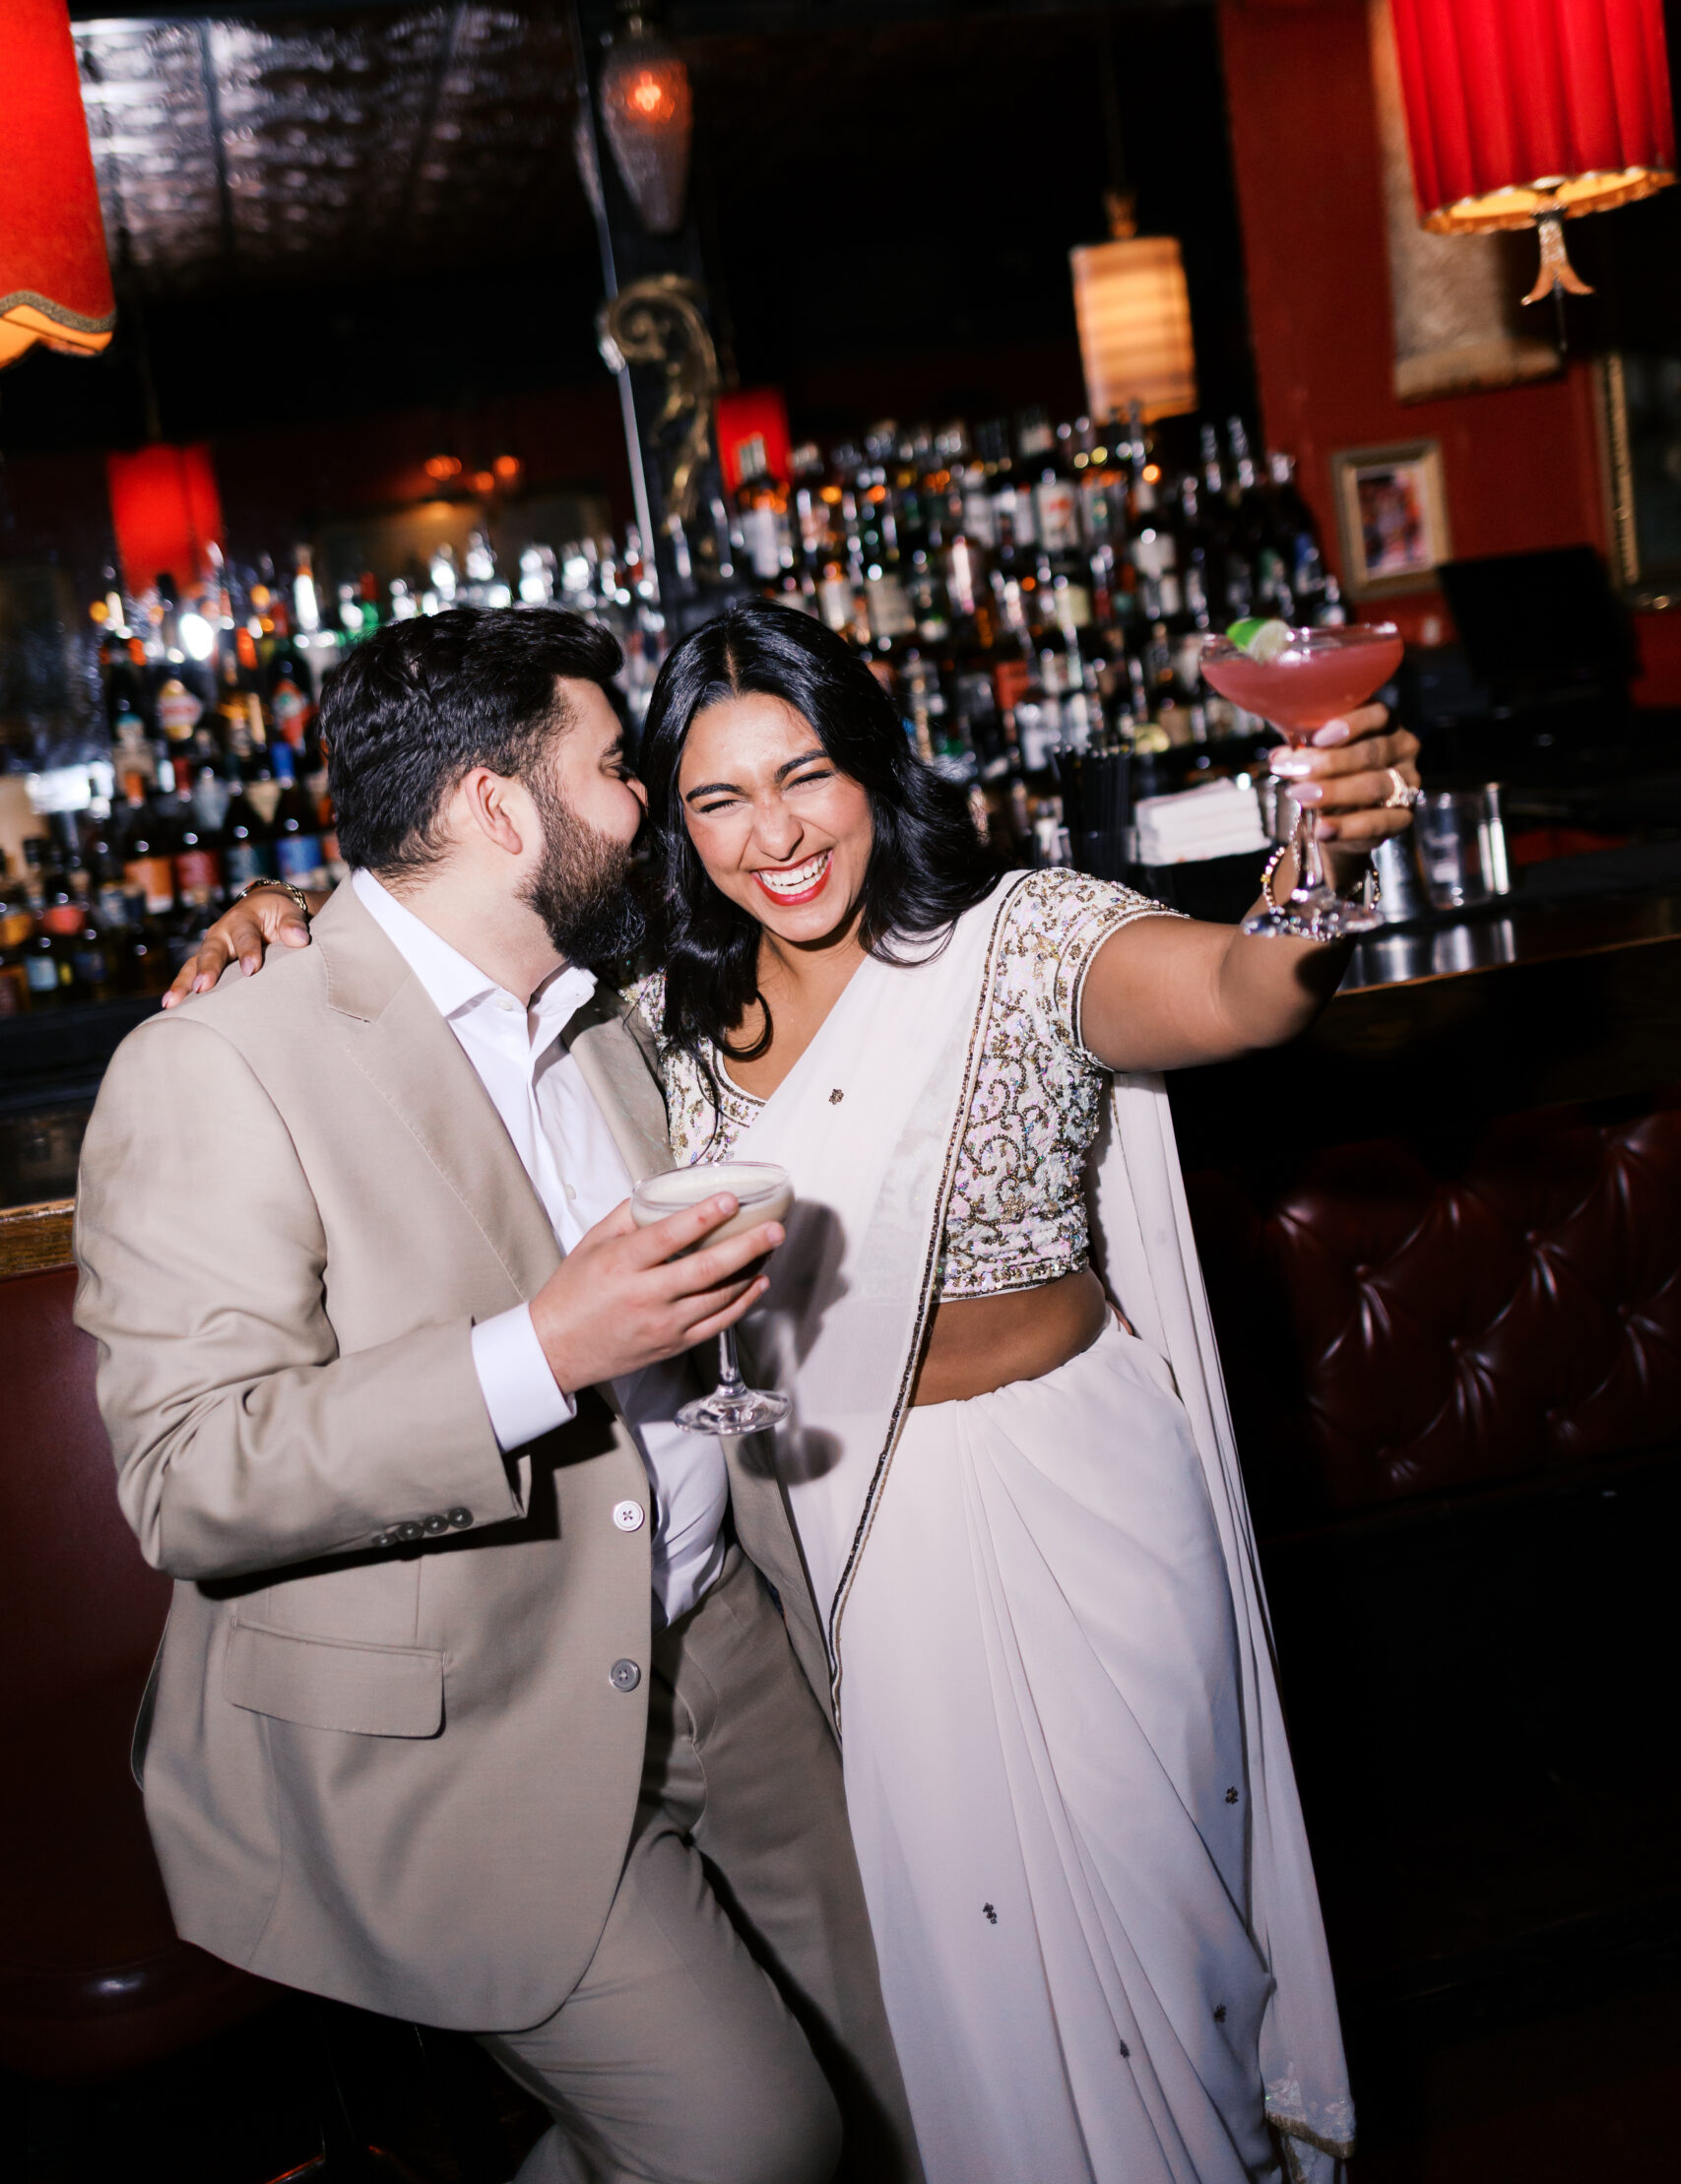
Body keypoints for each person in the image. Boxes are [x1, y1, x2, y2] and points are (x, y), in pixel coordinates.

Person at [183, 598, 1422, 2184]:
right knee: (960, 2007)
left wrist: (1317, 867)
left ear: (875, 770)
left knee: (1155, 1953)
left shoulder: (1026, 939)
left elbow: (1250, 993)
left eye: (808, 774)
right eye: (714, 799)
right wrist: (279, 908)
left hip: (1080, 1509)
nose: (775, 834)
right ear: (669, 826)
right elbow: (430, 971)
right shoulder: (648, 1038)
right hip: (856, 1556)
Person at [77, 608, 920, 2184]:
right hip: (474, 1725)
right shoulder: (216, 1065)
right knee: (751, 2142)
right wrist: (541, 1349)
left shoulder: (606, 1017)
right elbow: (190, 1479)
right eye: (618, 771)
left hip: (726, 1647)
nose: (653, 807)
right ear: (493, 808)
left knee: (904, 2082)